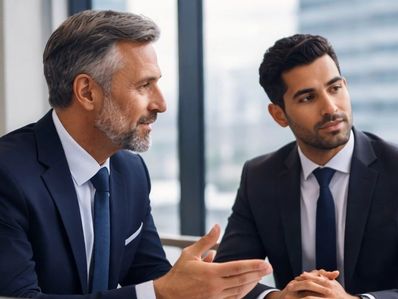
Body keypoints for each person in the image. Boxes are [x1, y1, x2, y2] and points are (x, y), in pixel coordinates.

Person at [0, 10, 272, 299]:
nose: (161, 103)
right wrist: (158, 293)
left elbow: (154, 275)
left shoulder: (130, 171)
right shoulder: (8, 174)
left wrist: (272, 297)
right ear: (87, 92)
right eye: (144, 85)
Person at [214, 34, 398, 299]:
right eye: (308, 98)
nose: (330, 108)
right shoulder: (260, 176)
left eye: (335, 88)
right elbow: (228, 276)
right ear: (279, 115)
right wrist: (278, 298)